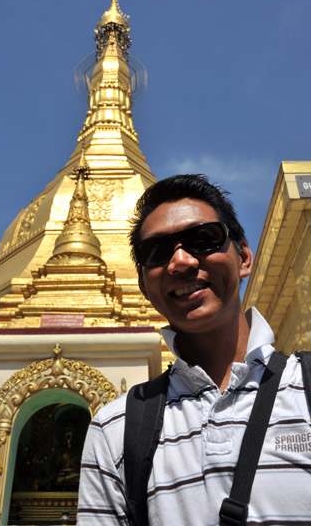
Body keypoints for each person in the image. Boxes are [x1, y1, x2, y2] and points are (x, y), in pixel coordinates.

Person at [77, 174, 311, 525]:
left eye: (203, 239)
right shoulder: (115, 429)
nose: (181, 262)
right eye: (156, 251)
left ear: (244, 257)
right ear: (142, 284)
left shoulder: (305, 388)